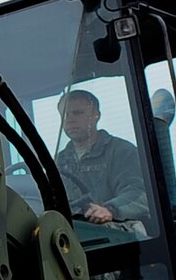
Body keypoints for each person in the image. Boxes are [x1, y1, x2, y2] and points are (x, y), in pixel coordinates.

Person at [55, 89, 152, 231]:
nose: (69, 119)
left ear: (96, 115)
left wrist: (109, 210)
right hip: (74, 234)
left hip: (118, 232)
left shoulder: (122, 151)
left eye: (77, 113)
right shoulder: (59, 161)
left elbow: (139, 193)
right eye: (64, 115)